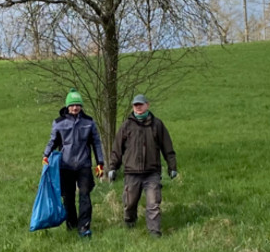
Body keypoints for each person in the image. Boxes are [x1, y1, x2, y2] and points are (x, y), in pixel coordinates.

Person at [107, 94, 177, 237]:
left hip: (152, 173)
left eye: (140, 104)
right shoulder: (126, 126)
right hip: (131, 173)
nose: (138, 107)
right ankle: (130, 221)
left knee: (153, 204)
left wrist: (172, 167)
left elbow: (167, 148)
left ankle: (154, 231)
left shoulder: (157, 125)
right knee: (130, 203)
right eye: (135, 105)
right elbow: (117, 149)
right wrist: (113, 167)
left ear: (147, 105)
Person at [42, 88, 105, 238]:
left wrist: (100, 162)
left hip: (83, 165)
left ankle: (84, 228)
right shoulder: (59, 123)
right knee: (68, 198)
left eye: (77, 104)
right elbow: (53, 141)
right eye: (72, 105)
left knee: (85, 196)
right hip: (65, 166)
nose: (75, 108)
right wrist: (45, 155)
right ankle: (71, 225)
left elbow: (96, 143)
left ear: (81, 106)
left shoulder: (89, 122)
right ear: (67, 106)